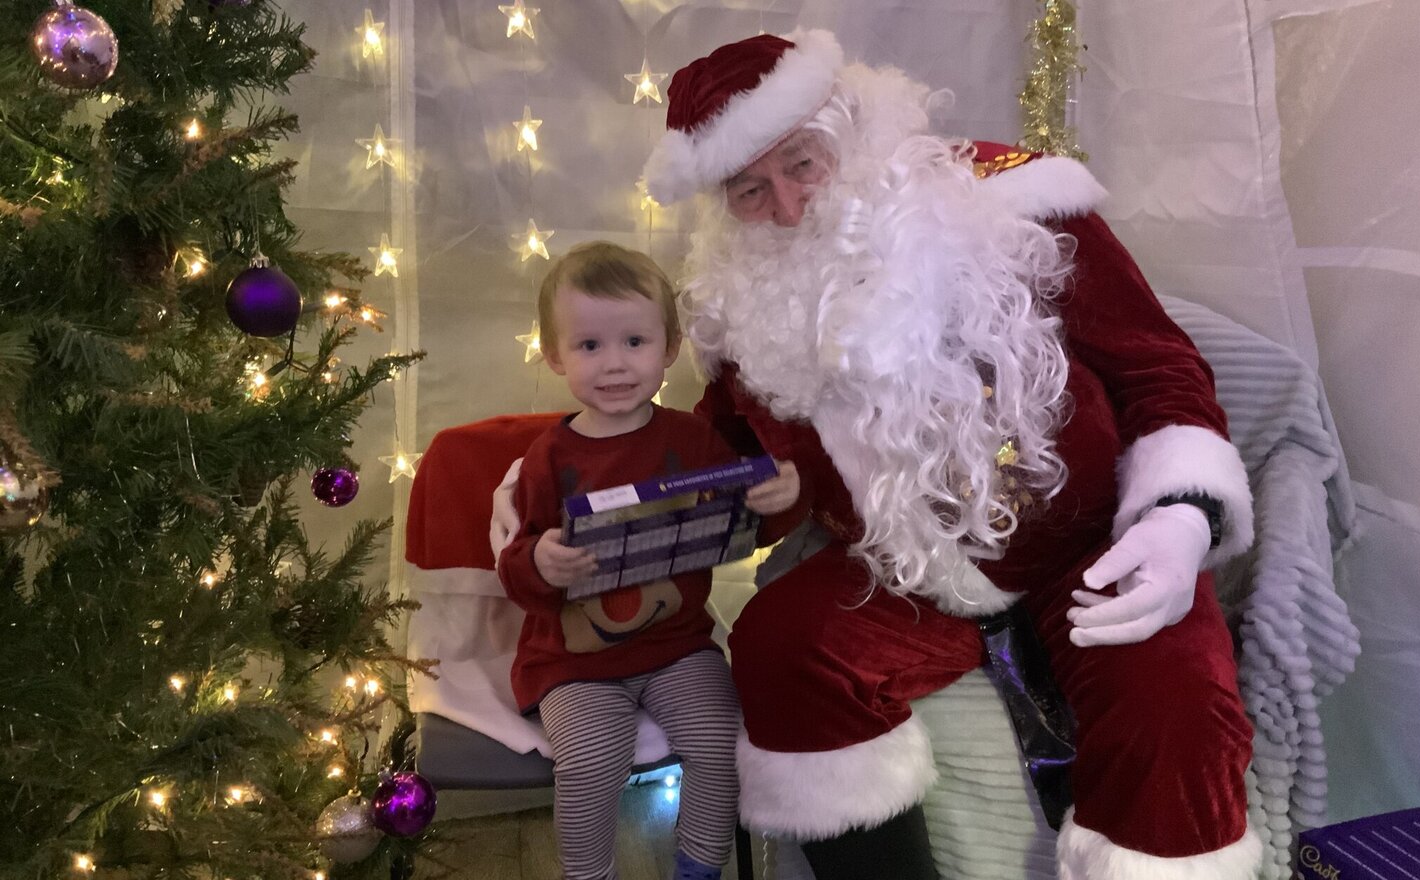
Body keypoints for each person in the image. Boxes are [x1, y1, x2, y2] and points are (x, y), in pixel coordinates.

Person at [640, 30, 1261, 880]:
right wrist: (747, 492)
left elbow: (1159, 365)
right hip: (906, 573)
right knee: (783, 644)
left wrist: (1181, 514)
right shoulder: (746, 308)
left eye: (802, 164)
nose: (786, 207)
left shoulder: (1014, 198)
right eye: (750, 190)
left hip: (1087, 542)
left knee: (1176, 701)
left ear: (848, 125)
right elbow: (753, 475)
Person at [496, 241, 801, 880]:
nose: (615, 364)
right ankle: (589, 874)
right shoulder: (548, 456)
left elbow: (744, 524)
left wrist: (780, 498)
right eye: (589, 346)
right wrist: (541, 563)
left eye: (635, 342)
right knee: (588, 760)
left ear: (668, 349)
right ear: (555, 355)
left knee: (721, 744)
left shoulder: (692, 440)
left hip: (678, 646)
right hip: (574, 661)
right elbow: (518, 562)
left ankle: (698, 867)